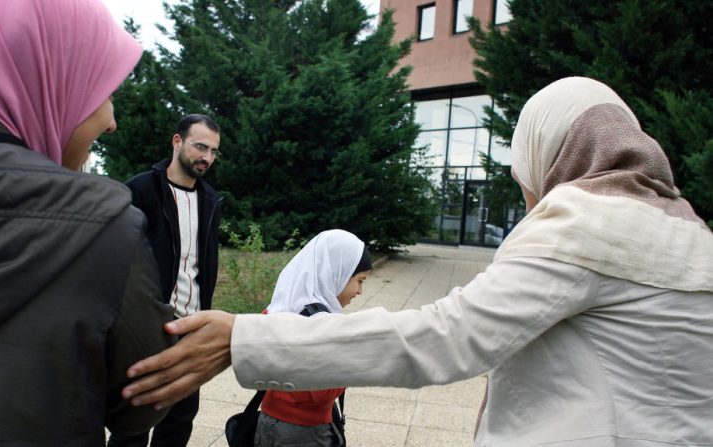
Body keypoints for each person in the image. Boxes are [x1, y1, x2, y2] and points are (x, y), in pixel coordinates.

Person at [121, 77, 713, 445]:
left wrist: (244, 339)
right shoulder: (692, 233)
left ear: (550, 151)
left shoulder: (588, 222)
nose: (531, 194)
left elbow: (444, 336)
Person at [0, 0, 176, 445]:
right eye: (100, 88)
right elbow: (142, 403)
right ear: (39, 75)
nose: (111, 120)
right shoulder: (105, 226)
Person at [107, 114, 223, 446]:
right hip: (147, 326)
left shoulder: (210, 200)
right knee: (135, 419)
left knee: (180, 419)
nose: (207, 157)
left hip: (193, 326)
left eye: (213, 151)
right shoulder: (140, 190)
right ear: (177, 142)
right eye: (200, 147)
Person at [255, 229, 372, 447]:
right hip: (303, 432)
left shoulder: (279, 308)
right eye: (359, 280)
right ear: (336, 273)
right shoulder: (321, 324)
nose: (360, 291)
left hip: (267, 422)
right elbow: (322, 392)